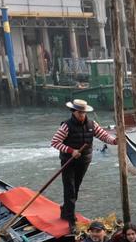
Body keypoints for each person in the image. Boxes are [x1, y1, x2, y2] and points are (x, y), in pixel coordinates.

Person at [50, 98, 118, 230]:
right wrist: (71, 151)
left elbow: (104, 136)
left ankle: (65, 210)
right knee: (70, 189)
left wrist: (115, 141)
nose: (81, 115)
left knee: (75, 188)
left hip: (84, 161)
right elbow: (55, 142)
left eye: (83, 112)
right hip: (68, 161)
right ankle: (71, 220)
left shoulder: (92, 124)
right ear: (73, 111)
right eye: (79, 112)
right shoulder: (66, 126)